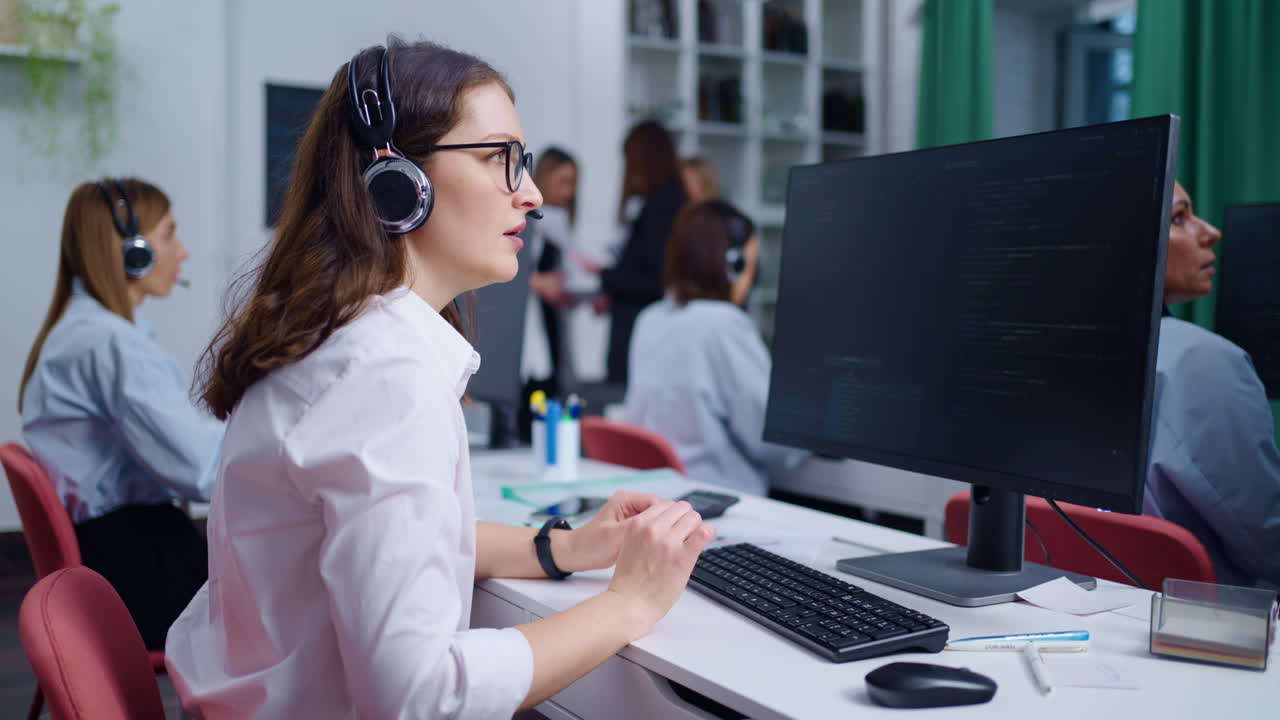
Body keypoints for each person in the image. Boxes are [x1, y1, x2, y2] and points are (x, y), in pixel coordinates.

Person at [165, 40, 716, 719]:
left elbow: (387, 537)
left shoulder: (340, 337)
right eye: (497, 158)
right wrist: (629, 603)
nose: (533, 194)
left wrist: (564, 547)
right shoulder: (384, 378)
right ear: (397, 182)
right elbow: (421, 696)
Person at [18, 177, 220, 650]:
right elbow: (198, 469)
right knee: (293, 592)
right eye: (170, 234)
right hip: (133, 571)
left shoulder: (83, 331)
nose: (183, 253)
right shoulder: (110, 343)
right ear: (133, 251)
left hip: (112, 559)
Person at [1143, 181, 1280, 588]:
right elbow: (1269, 542)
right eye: (1179, 218)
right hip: (1208, 622)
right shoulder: (1199, 361)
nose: (1211, 232)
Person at [621, 201, 809, 496]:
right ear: (733, 266)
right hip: (718, 502)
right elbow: (771, 437)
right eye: (749, 263)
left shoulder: (651, 318)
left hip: (659, 494)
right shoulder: (723, 325)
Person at [597, 120, 687, 384]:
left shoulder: (661, 206)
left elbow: (657, 279)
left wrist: (606, 277)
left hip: (639, 337)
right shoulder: (665, 203)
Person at [519, 147, 578, 439]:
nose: (569, 191)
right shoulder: (523, 221)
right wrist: (539, 283)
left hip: (551, 322)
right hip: (524, 328)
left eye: (573, 183)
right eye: (563, 181)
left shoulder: (559, 223)